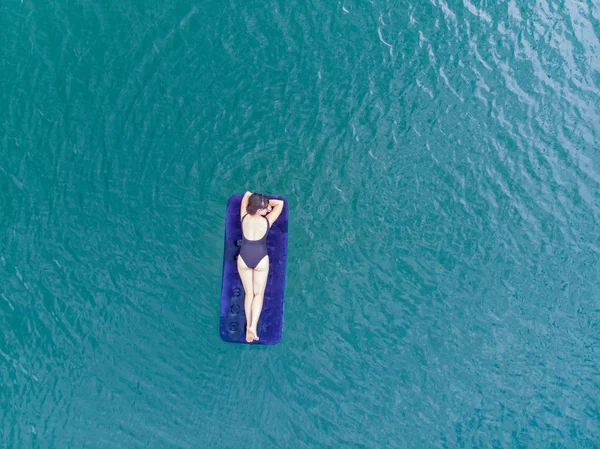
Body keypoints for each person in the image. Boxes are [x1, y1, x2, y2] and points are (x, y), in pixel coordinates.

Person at [238, 192, 284, 342]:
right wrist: (268, 201)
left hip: (243, 258)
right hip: (260, 258)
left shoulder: (244, 215)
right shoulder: (267, 221)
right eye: (265, 208)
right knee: (259, 294)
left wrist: (260, 201)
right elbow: (280, 204)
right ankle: (252, 326)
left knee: (249, 294)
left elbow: (246, 195)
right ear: (258, 210)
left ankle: (248, 330)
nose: (268, 210)